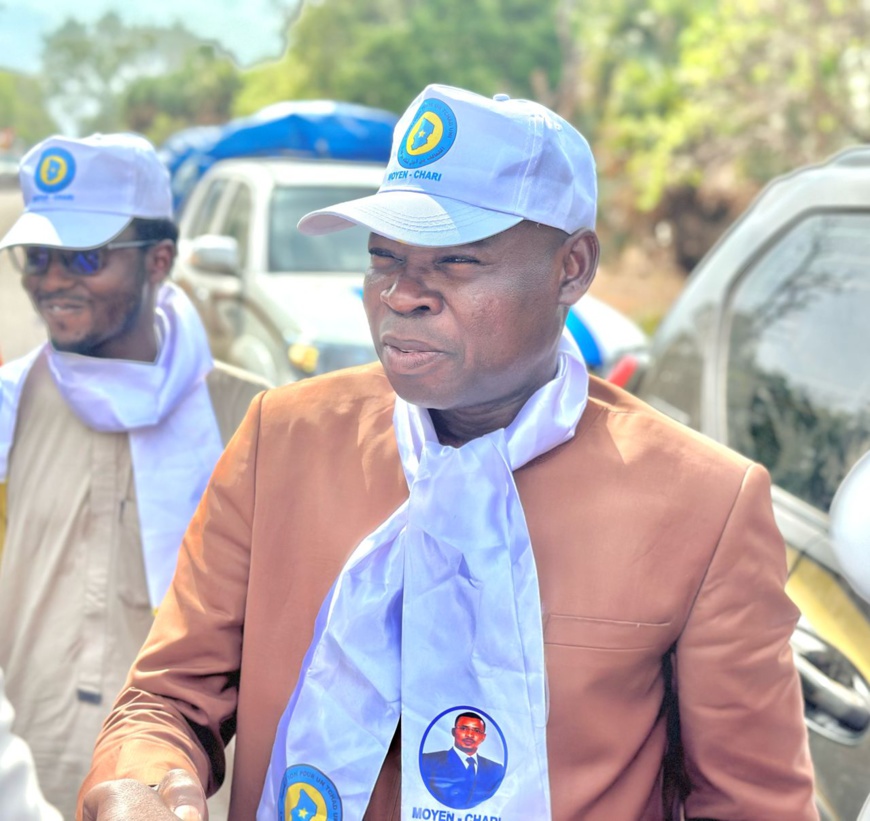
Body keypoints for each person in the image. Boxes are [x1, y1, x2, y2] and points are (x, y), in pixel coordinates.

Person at [81, 85, 817, 820]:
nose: (403, 294)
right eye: (383, 257)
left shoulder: (702, 505)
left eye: (457, 261)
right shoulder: (286, 440)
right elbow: (166, 699)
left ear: (573, 267)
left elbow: (755, 803)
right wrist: (147, 779)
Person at [0, 132, 268, 819]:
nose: (53, 279)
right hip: (25, 769)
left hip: (182, 789)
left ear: (160, 260)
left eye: (86, 256)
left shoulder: (252, 419)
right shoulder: (9, 406)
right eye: (38, 256)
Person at [420, 712, 505, 809]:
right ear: (453, 731)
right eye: (464, 728)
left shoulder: (496, 770)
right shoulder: (427, 761)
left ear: (483, 737)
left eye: (476, 730)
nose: (469, 735)